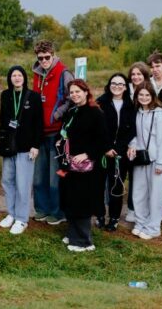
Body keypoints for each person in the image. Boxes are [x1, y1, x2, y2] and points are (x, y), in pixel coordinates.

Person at [58, 79, 108, 252]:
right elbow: (66, 133)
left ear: (86, 92)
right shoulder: (72, 111)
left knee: (82, 202)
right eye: (72, 92)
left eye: (78, 91)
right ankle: (72, 233)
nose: (74, 95)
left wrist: (87, 154)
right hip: (70, 164)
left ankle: (83, 241)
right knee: (71, 199)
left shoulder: (95, 113)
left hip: (86, 167)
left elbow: (103, 141)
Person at [31, 40, 74, 226]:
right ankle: (42, 209)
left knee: (54, 177)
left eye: (47, 57)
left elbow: (72, 98)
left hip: (57, 132)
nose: (44, 61)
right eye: (40, 58)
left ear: (53, 55)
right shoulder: (36, 74)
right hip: (39, 132)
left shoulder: (64, 73)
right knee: (39, 176)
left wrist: (57, 114)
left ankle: (58, 212)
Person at [0, 66, 43, 235]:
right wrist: (1, 141)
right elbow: (2, 120)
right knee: (7, 181)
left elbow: (39, 123)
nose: (16, 78)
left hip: (26, 148)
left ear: (24, 77)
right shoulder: (5, 95)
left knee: (22, 184)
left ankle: (22, 219)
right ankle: (12, 213)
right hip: (9, 146)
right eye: (13, 75)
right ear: (10, 78)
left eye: (19, 75)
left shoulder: (34, 97)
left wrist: (35, 145)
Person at [127, 85, 162, 241]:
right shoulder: (137, 113)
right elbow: (135, 135)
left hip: (156, 161)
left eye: (147, 95)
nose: (144, 98)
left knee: (156, 195)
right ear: (136, 96)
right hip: (140, 159)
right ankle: (141, 223)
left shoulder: (160, 115)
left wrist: (161, 163)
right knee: (139, 193)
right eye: (141, 95)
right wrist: (132, 145)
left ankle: (153, 228)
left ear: (153, 96)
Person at [96, 73, 136, 232]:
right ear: (109, 85)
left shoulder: (131, 105)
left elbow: (132, 130)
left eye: (120, 84)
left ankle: (114, 218)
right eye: (114, 83)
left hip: (120, 153)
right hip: (101, 152)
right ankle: (99, 215)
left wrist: (118, 148)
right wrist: (106, 147)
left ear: (125, 87)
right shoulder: (100, 103)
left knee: (116, 186)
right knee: (98, 185)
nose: (117, 86)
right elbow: (97, 128)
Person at [123, 61, 150, 222]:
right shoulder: (126, 90)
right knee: (128, 175)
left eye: (139, 74)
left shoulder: (148, 91)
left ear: (145, 75)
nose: (136, 77)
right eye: (133, 74)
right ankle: (131, 208)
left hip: (143, 141)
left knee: (139, 177)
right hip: (127, 139)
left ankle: (138, 208)